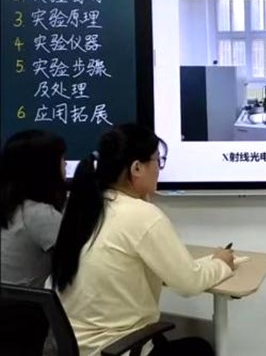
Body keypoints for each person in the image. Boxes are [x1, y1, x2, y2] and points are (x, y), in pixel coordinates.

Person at [51, 124, 235, 356]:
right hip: (118, 348)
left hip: (76, 348)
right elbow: (189, 283)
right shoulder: (141, 215)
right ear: (137, 168)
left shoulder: (86, 208)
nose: (159, 169)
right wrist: (221, 263)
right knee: (200, 348)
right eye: (157, 161)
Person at [0, 129, 67, 356]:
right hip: (20, 318)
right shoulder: (40, 215)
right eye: (62, 159)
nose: (65, 165)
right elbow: (77, 263)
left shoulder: (9, 207)